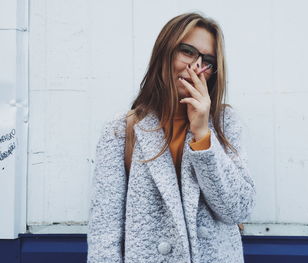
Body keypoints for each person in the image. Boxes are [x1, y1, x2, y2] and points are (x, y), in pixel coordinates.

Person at [87, 12, 256, 263]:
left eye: (207, 60)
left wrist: (202, 135)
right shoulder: (122, 132)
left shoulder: (223, 124)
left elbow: (238, 209)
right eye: (187, 51)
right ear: (164, 52)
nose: (196, 67)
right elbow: (105, 234)